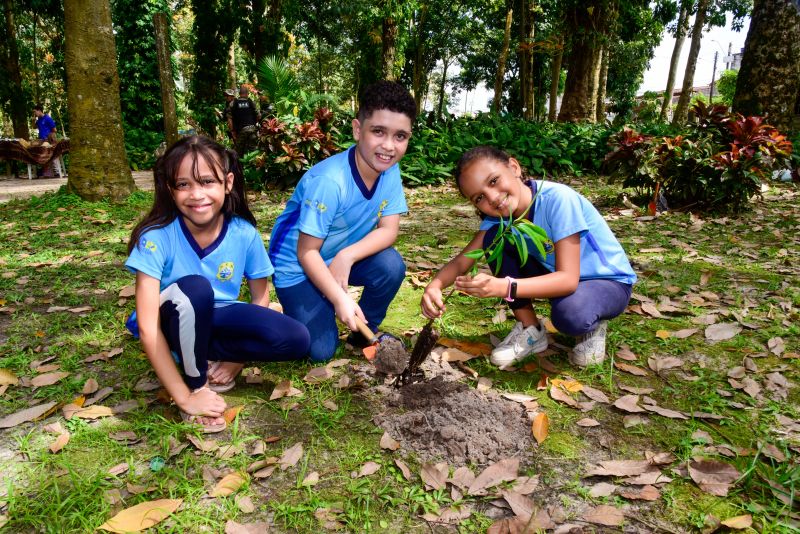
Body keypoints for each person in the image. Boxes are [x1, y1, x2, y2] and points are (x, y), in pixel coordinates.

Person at [125, 136, 310, 432]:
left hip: (218, 315)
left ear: (228, 182)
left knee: (297, 338)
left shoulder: (243, 233)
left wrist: (236, 359)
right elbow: (148, 328)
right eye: (183, 184)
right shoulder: (156, 238)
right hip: (169, 320)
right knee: (196, 289)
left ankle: (198, 355)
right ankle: (196, 382)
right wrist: (186, 398)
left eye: (207, 181)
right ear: (170, 191)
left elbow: (260, 298)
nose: (197, 194)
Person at [421, 146, 637, 369]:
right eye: (479, 198)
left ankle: (593, 325)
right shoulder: (498, 220)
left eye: (494, 181)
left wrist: (505, 287)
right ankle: (531, 330)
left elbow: (568, 279)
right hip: (559, 280)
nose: (493, 198)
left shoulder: (557, 200)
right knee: (495, 239)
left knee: (570, 315)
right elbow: (462, 261)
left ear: (514, 167)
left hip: (608, 283)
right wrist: (435, 286)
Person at [269, 80, 415, 362]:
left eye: (400, 136)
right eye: (378, 132)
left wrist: (347, 257)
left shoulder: (390, 170)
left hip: (336, 257)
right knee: (320, 351)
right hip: (297, 266)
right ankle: (300, 307)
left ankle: (364, 332)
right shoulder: (329, 181)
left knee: (391, 265)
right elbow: (306, 252)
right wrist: (339, 298)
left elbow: (389, 231)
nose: (389, 146)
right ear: (358, 130)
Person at [228, 86, 260, 156]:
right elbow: (258, 116)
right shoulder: (251, 102)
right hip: (252, 129)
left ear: (239, 94)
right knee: (253, 151)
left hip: (241, 131)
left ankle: (239, 166)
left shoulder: (233, 103)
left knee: (238, 153)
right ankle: (254, 165)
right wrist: (254, 123)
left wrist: (232, 131)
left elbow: (229, 119)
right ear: (247, 94)